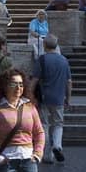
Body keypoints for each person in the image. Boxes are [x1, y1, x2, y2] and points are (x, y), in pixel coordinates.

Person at [31, 35, 72, 164]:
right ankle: (57, 146)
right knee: (58, 124)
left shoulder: (42, 60)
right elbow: (69, 81)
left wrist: (30, 96)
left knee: (44, 125)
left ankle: (46, 155)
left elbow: (34, 80)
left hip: (44, 97)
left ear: (44, 45)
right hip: (59, 97)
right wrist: (68, 98)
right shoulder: (64, 60)